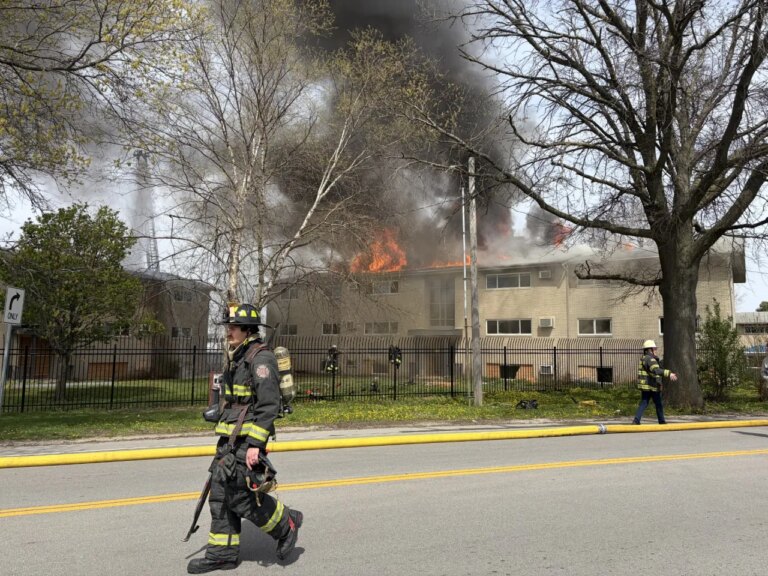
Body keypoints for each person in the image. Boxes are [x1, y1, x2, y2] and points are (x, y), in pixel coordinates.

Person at [187, 303, 303, 574]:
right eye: (228, 326)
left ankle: (286, 524)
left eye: (233, 326)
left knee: (239, 495)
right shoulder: (238, 355)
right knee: (220, 495)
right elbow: (240, 399)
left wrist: (255, 445)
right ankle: (222, 555)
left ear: (247, 329)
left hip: (246, 439)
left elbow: (268, 405)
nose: (228, 330)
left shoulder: (260, 359)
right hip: (230, 438)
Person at [633, 339, 678, 425]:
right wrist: (669, 373)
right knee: (658, 404)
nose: (656, 350)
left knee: (644, 403)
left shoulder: (645, 358)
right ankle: (661, 421)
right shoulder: (650, 359)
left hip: (647, 386)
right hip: (652, 386)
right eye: (655, 349)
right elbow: (656, 371)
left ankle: (636, 420)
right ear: (650, 350)